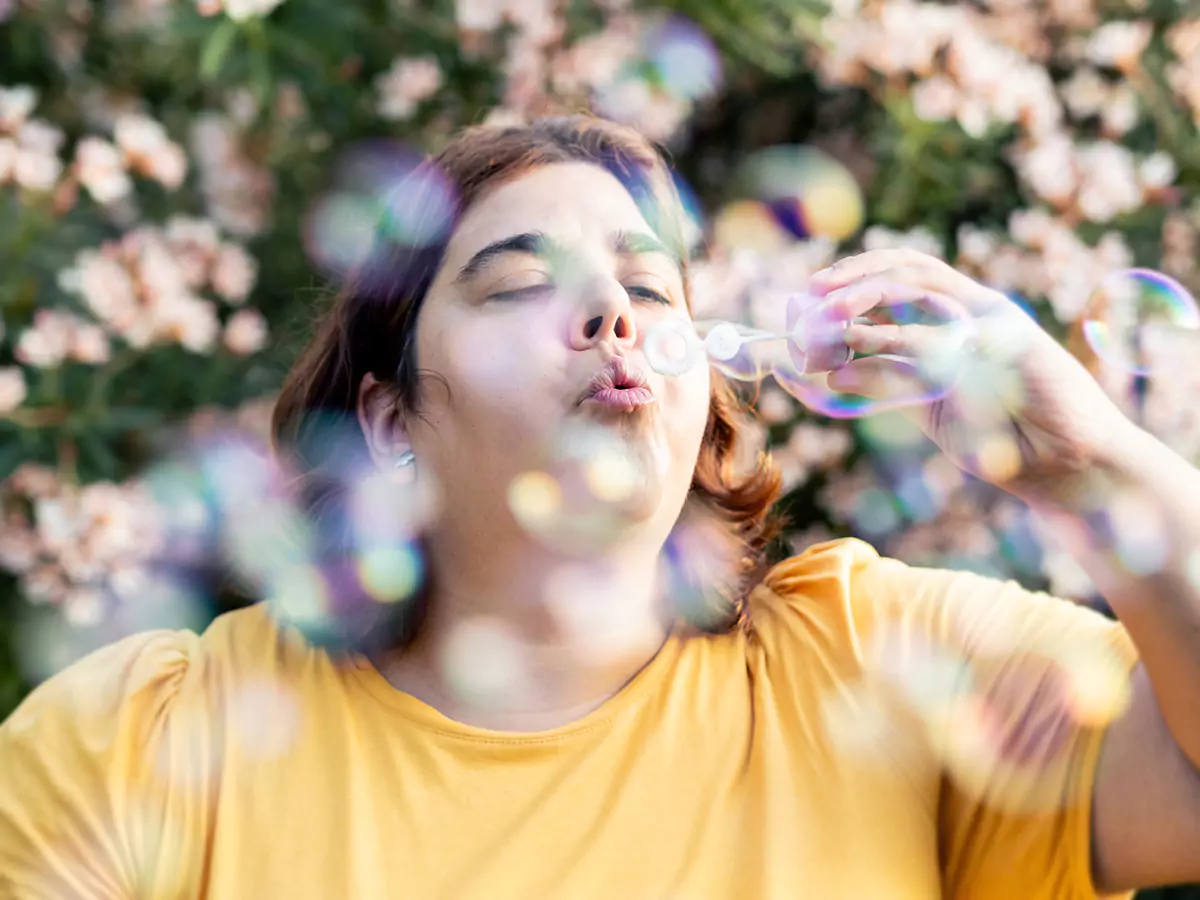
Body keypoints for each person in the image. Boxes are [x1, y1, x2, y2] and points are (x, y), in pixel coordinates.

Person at [1, 114, 1199, 900]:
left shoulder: (872, 660)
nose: (613, 317)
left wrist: (1096, 462)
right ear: (388, 423)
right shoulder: (146, 743)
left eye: (645, 285)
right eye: (520, 282)